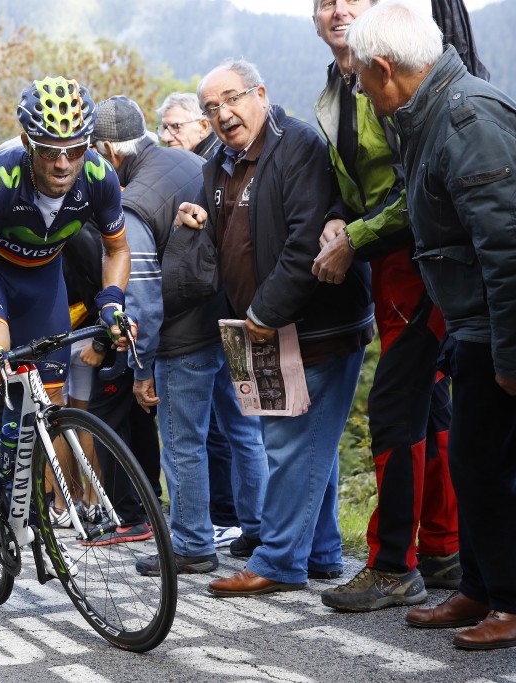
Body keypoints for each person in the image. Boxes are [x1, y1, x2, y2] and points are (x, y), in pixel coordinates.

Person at [347, 0, 516, 650]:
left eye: (359, 76)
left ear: (383, 67)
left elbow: (512, 251)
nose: (358, 89)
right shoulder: (431, 115)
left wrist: (513, 357)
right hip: (473, 323)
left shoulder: (464, 119)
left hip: (501, 327)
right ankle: (481, 586)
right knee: (471, 460)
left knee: (483, 463)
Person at [171, 59, 373, 597]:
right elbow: (228, 238)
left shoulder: (297, 146)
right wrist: (197, 219)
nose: (223, 114)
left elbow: (306, 241)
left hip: (312, 326)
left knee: (290, 445)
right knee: (308, 444)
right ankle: (324, 553)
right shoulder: (216, 163)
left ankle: (280, 561)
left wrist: (263, 315)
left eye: (232, 99)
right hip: (255, 329)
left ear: (260, 92)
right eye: (211, 107)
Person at [309, 0, 459, 612]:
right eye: (324, 2)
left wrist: (355, 238)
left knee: (399, 404)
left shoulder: (399, 82)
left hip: (422, 254)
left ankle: (393, 563)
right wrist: (337, 218)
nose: (337, 9)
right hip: (391, 260)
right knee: (428, 403)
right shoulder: (338, 88)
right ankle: (446, 549)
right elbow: (354, 185)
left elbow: (414, 185)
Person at [0, 76, 131, 518]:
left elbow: (117, 248)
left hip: (45, 281)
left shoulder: (100, 176)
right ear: (27, 142)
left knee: (49, 396)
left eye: (76, 149)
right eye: (49, 151)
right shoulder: (1, 175)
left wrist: (113, 302)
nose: (64, 164)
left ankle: (20, 480)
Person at [90, 96, 268, 561]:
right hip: (230, 320)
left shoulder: (131, 204)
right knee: (243, 431)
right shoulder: (193, 161)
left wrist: (141, 366)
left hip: (182, 338)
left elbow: (144, 300)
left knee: (183, 443)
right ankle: (258, 529)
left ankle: (191, 544)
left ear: (109, 152)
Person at [155, 91, 245, 548]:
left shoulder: (211, 170)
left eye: (176, 126)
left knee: (209, 432)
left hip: (218, 320)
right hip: (227, 317)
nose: (168, 136)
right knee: (234, 427)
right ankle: (248, 525)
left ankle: (207, 531)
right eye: (164, 128)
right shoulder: (213, 167)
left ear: (202, 128)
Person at [155, 92, 220, 159]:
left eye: (175, 127)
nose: (165, 138)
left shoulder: (223, 164)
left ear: (204, 126)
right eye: (165, 128)